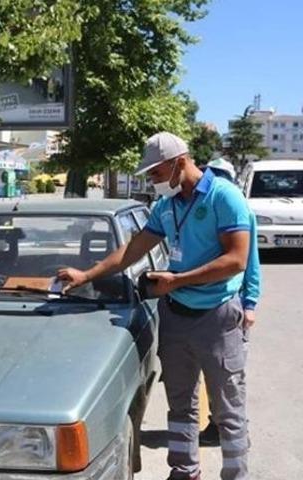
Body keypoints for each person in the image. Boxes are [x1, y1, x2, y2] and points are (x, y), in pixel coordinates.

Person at [58, 132, 257, 480]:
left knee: (229, 409)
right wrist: (86, 274)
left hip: (218, 317)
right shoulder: (167, 206)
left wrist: (177, 280)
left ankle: (235, 474)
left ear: (180, 162)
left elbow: (237, 260)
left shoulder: (225, 198)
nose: (152, 179)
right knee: (180, 404)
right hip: (176, 315)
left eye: (155, 172)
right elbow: (133, 249)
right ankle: (184, 471)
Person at [199, 158, 261, 448]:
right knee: (213, 373)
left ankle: (238, 430)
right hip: (205, 303)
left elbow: (249, 263)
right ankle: (216, 423)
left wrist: (250, 304)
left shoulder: (239, 209)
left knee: (230, 375)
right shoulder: (201, 208)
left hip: (229, 301)